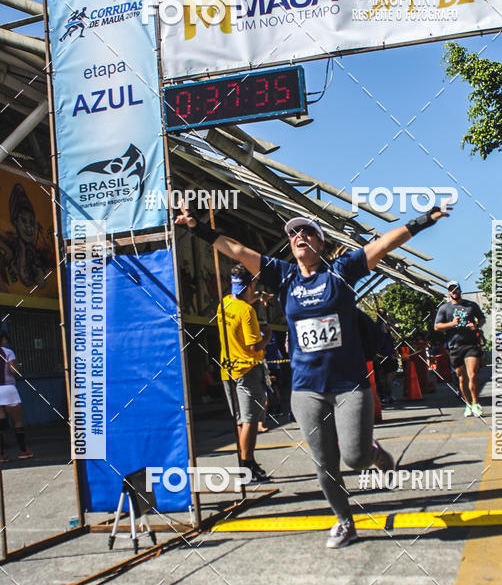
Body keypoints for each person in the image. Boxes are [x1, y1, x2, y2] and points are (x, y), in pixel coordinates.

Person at [177, 201, 450, 548]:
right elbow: (238, 250)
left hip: (348, 384)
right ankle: (344, 521)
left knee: (355, 457)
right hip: (306, 388)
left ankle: (376, 455)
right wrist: (195, 226)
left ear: (320, 243)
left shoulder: (341, 271)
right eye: (293, 233)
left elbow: (382, 245)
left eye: (307, 232)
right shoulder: (282, 275)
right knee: (325, 463)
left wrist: (423, 220)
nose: (299, 236)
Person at [216, 264, 273, 483]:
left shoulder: (224, 305)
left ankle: (246, 462)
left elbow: (244, 299)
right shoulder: (247, 312)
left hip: (228, 370)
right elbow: (253, 348)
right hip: (248, 369)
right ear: (250, 284)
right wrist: (266, 335)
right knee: (250, 420)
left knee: (241, 420)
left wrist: (258, 296)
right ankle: (246, 466)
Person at [434, 281, 485, 417]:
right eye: (451, 290)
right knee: (462, 378)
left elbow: (481, 319)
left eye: (456, 289)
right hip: (455, 347)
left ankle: (475, 403)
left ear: (460, 290)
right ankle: (468, 404)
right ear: (449, 292)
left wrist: (476, 326)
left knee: (473, 374)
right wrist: (452, 324)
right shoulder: (444, 308)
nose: (454, 291)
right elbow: (437, 326)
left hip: (471, 345)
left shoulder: (471, 305)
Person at [0, 333, 32, 460]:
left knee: (0, 422)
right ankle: (24, 451)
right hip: (8, 390)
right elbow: (14, 371)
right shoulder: (8, 352)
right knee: (17, 421)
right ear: (2, 339)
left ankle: (1, 454)